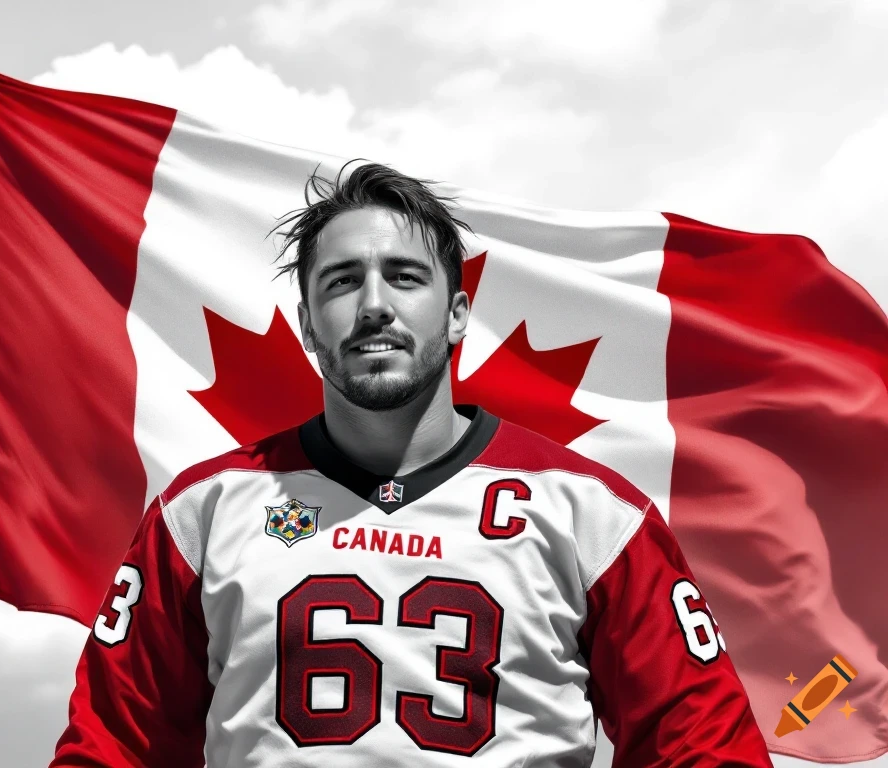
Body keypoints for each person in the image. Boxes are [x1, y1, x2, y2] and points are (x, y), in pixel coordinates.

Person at [51, 162, 774, 767]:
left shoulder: (589, 514)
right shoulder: (203, 513)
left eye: (403, 277)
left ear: (458, 313)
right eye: (340, 282)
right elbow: (112, 750)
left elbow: (706, 750)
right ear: (307, 322)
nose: (373, 306)